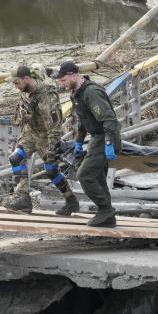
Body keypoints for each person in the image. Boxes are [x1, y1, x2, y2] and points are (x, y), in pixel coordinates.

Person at [4, 64, 79, 216]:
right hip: (31, 132)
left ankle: (71, 200)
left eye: (17, 83)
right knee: (16, 158)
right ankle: (22, 198)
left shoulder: (46, 96)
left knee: (51, 170)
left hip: (46, 136)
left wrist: (53, 147)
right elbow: (41, 68)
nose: (16, 86)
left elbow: (55, 125)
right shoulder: (31, 78)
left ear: (26, 79)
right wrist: (52, 71)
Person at [55, 61, 121, 228]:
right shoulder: (77, 93)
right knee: (97, 176)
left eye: (63, 80)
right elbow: (84, 120)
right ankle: (107, 214)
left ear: (73, 75)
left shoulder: (91, 92)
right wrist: (78, 142)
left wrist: (109, 143)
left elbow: (110, 120)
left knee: (85, 174)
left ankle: (105, 210)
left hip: (105, 136)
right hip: (96, 138)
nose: (61, 84)